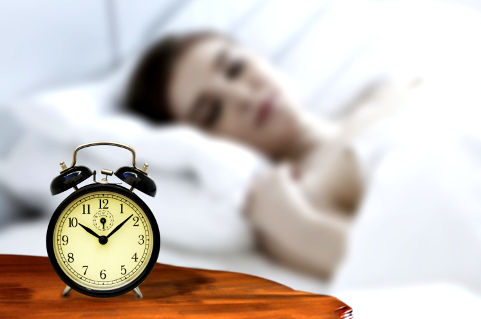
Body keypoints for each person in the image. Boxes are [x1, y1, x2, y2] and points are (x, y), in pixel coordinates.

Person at [124, 31, 415, 278]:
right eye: (211, 112)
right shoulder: (288, 203)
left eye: (235, 68)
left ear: (257, 56)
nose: (243, 97)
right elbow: (396, 267)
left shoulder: (379, 91)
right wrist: (294, 223)